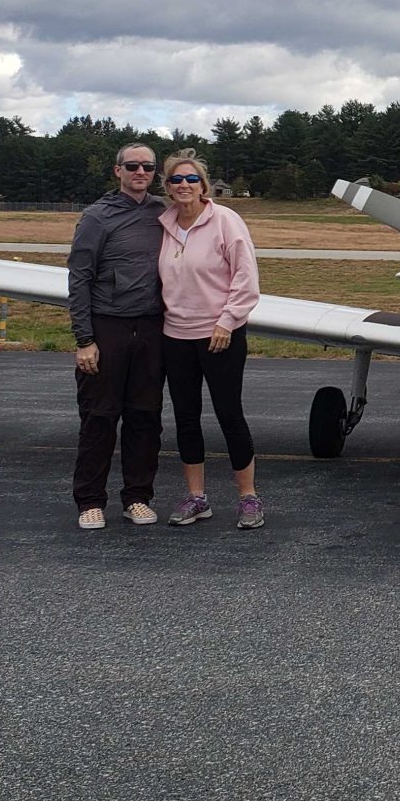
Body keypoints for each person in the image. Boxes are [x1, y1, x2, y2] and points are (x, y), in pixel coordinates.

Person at [156, 149, 265, 529]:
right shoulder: (164, 223)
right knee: (185, 417)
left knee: (228, 413)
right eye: (176, 180)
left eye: (191, 179)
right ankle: (196, 497)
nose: (183, 186)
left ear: (203, 185)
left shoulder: (226, 222)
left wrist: (227, 321)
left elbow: (245, 278)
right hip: (175, 335)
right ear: (167, 187)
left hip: (220, 334)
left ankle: (248, 498)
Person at [66, 142, 168, 529]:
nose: (140, 173)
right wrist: (84, 339)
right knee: (99, 416)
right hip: (108, 326)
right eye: (133, 166)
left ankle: (138, 497)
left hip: (153, 327)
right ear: (118, 171)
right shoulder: (97, 217)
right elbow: (80, 278)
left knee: (145, 416)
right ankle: (90, 501)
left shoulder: (164, 212)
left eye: (148, 167)